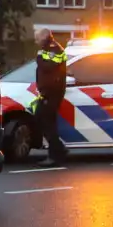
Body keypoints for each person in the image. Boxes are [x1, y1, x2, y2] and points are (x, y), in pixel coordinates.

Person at [32, 28, 69, 166]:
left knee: (45, 121)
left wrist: (40, 58)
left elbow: (50, 66)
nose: (35, 41)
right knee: (44, 121)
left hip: (52, 92)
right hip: (48, 92)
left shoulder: (54, 48)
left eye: (37, 38)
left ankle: (55, 154)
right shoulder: (46, 48)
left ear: (44, 37)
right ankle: (59, 150)